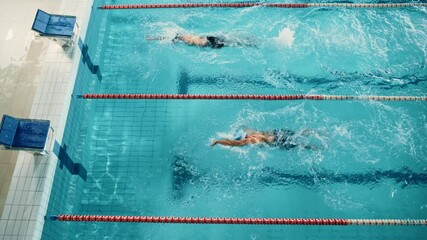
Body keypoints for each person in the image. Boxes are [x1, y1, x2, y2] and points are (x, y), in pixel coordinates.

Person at [211, 128, 319, 150]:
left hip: (278, 141)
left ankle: (314, 147)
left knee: (300, 146)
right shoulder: (250, 131)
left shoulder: (251, 139)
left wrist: (218, 141)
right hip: (277, 132)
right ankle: (315, 132)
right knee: (297, 133)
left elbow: (234, 143)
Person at [146, 33, 256, 49]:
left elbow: (170, 38)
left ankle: (251, 43)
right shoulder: (184, 37)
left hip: (209, 42)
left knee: (233, 43)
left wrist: (154, 38)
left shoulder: (183, 38)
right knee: (234, 42)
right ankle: (251, 43)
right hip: (211, 41)